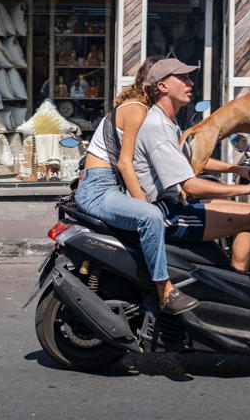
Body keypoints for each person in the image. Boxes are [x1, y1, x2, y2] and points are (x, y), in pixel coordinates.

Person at [133, 58, 250, 329]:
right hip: (170, 212)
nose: (190, 83)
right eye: (182, 79)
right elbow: (190, 184)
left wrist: (236, 169)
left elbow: (190, 160)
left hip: (173, 204)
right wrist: (244, 188)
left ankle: (236, 281)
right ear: (162, 87)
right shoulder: (158, 127)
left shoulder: (166, 123)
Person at [74, 56, 198, 315]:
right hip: (99, 187)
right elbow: (125, 164)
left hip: (104, 184)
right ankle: (165, 291)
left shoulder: (150, 114)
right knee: (151, 215)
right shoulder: (137, 109)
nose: (187, 83)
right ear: (155, 84)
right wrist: (142, 204)